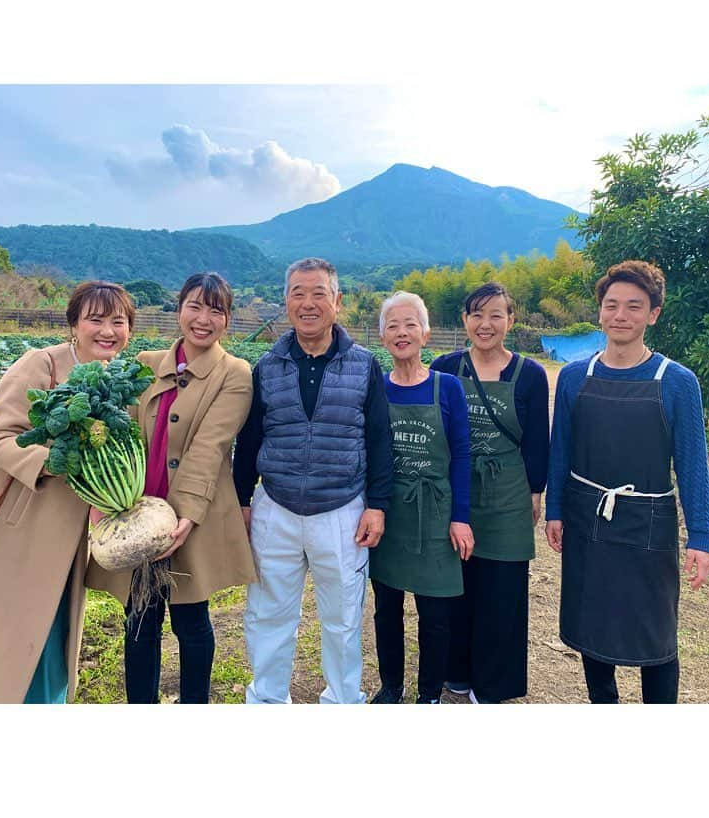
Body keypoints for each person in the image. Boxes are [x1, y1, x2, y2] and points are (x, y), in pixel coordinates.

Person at [0, 281, 136, 703]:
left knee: (49, 636)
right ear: (74, 325)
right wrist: (51, 462)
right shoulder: (41, 364)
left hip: (66, 542)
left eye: (118, 321)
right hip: (13, 533)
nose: (108, 330)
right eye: (95, 319)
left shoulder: (118, 380)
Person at [545, 260, 709, 703]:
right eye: (612, 305)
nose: (621, 315)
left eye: (634, 307)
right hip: (586, 518)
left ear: (653, 314)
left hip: (649, 521)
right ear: (600, 311)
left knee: (654, 634)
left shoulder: (676, 382)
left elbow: (693, 464)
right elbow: (560, 450)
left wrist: (702, 536)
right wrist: (556, 511)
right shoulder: (573, 377)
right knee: (592, 622)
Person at [86, 272, 257, 704]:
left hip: (188, 516)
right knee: (139, 619)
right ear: (179, 309)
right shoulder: (144, 363)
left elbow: (209, 448)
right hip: (135, 512)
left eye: (215, 310)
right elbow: (119, 432)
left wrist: (182, 519)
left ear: (227, 319)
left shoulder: (234, 374)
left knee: (191, 620)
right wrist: (107, 503)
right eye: (194, 306)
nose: (203, 319)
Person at [233, 257, 393, 704]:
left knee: (342, 617)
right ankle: (267, 700)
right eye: (298, 293)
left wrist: (377, 504)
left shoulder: (364, 365)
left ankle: (342, 700)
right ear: (286, 303)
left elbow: (379, 439)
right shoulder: (267, 365)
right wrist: (242, 500)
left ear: (337, 302)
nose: (308, 303)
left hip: (342, 510)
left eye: (319, 293)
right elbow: (249, 440)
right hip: (276, 507)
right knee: (268, 613)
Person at [431, 282, 549, 704]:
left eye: (496, 315)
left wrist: (535, 491)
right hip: (456, 492)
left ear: (510, 321)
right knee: (455, 585)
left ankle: (494, 682)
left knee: (502, 589)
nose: (486, 324)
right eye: (477, 315)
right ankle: (456, 669)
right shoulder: (446, 367)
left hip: (508, 494)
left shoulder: (529, 373)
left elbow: (538, 439)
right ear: (464, 320)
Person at [368, 292, 473, 704]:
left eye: (410, 324)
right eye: (392, 325)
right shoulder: (375, 387)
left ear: (426, 334)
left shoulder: (446, 388)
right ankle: (391, 686)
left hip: (436, 513)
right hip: (389, 514)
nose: (401, 332)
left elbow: (462, 453)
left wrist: (460, 516)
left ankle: (428, 693)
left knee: (436, 616)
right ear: (381, 335)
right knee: (386, 610)